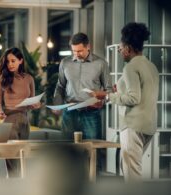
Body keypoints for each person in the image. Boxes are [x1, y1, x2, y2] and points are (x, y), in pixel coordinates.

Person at [93, 22, 159, 181]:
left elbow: (133, 98)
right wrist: (119, 89)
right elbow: (144, 93)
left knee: (132, 175)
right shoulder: (150, 66)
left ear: (128, 48)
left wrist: (107, 96)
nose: (120, 50)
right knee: (131, 168)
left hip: (133, 126)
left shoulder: (130, 67)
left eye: (121, 47)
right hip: (148, 125)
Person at [53, 32, 112, 140]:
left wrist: (102, 102)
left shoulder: (101, 64)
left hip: (91, 114)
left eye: (80, 51)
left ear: (88, 46)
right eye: (74, 51)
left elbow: (109, 90)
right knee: (67, 149)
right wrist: (57, 102)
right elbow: (60, 86)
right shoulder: (65, 63)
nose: (77, 54)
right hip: (69, 112)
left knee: (92, 148)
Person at [0, 47, 40, 177]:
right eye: (7, 62)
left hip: (24, 121)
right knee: (12, 159)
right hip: (8, 121)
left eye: (13, 61)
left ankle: (19, 188)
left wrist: (35, 104)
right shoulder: (1, 80)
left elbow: (31, 101)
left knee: (21, 156)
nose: (10, 64)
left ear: (20, 60)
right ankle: (12, 187)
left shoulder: (29, 79)